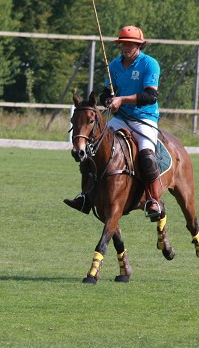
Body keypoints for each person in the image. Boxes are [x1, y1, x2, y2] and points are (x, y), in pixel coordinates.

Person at [64, 25, 164, 220]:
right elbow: (104, 93)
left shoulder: (150, 64)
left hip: (145, 118)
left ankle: (153, 200)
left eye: (131, 44)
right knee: (92, 150)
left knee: (146, 156)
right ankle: (85, 196)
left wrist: (122, 100)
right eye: (123, 43)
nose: (126, 47)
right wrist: (109, 100)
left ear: (139, 45)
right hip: (121, 119)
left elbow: (151, 95)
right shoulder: (115, 66)